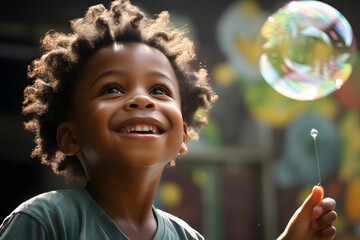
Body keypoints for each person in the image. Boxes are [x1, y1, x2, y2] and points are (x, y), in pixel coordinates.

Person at [0, 0, 337, 239]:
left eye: (159, 90)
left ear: (184, 137)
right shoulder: (45, 223)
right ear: (70, 136)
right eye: (113, 88)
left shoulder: (187, 237)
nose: (141, 99)